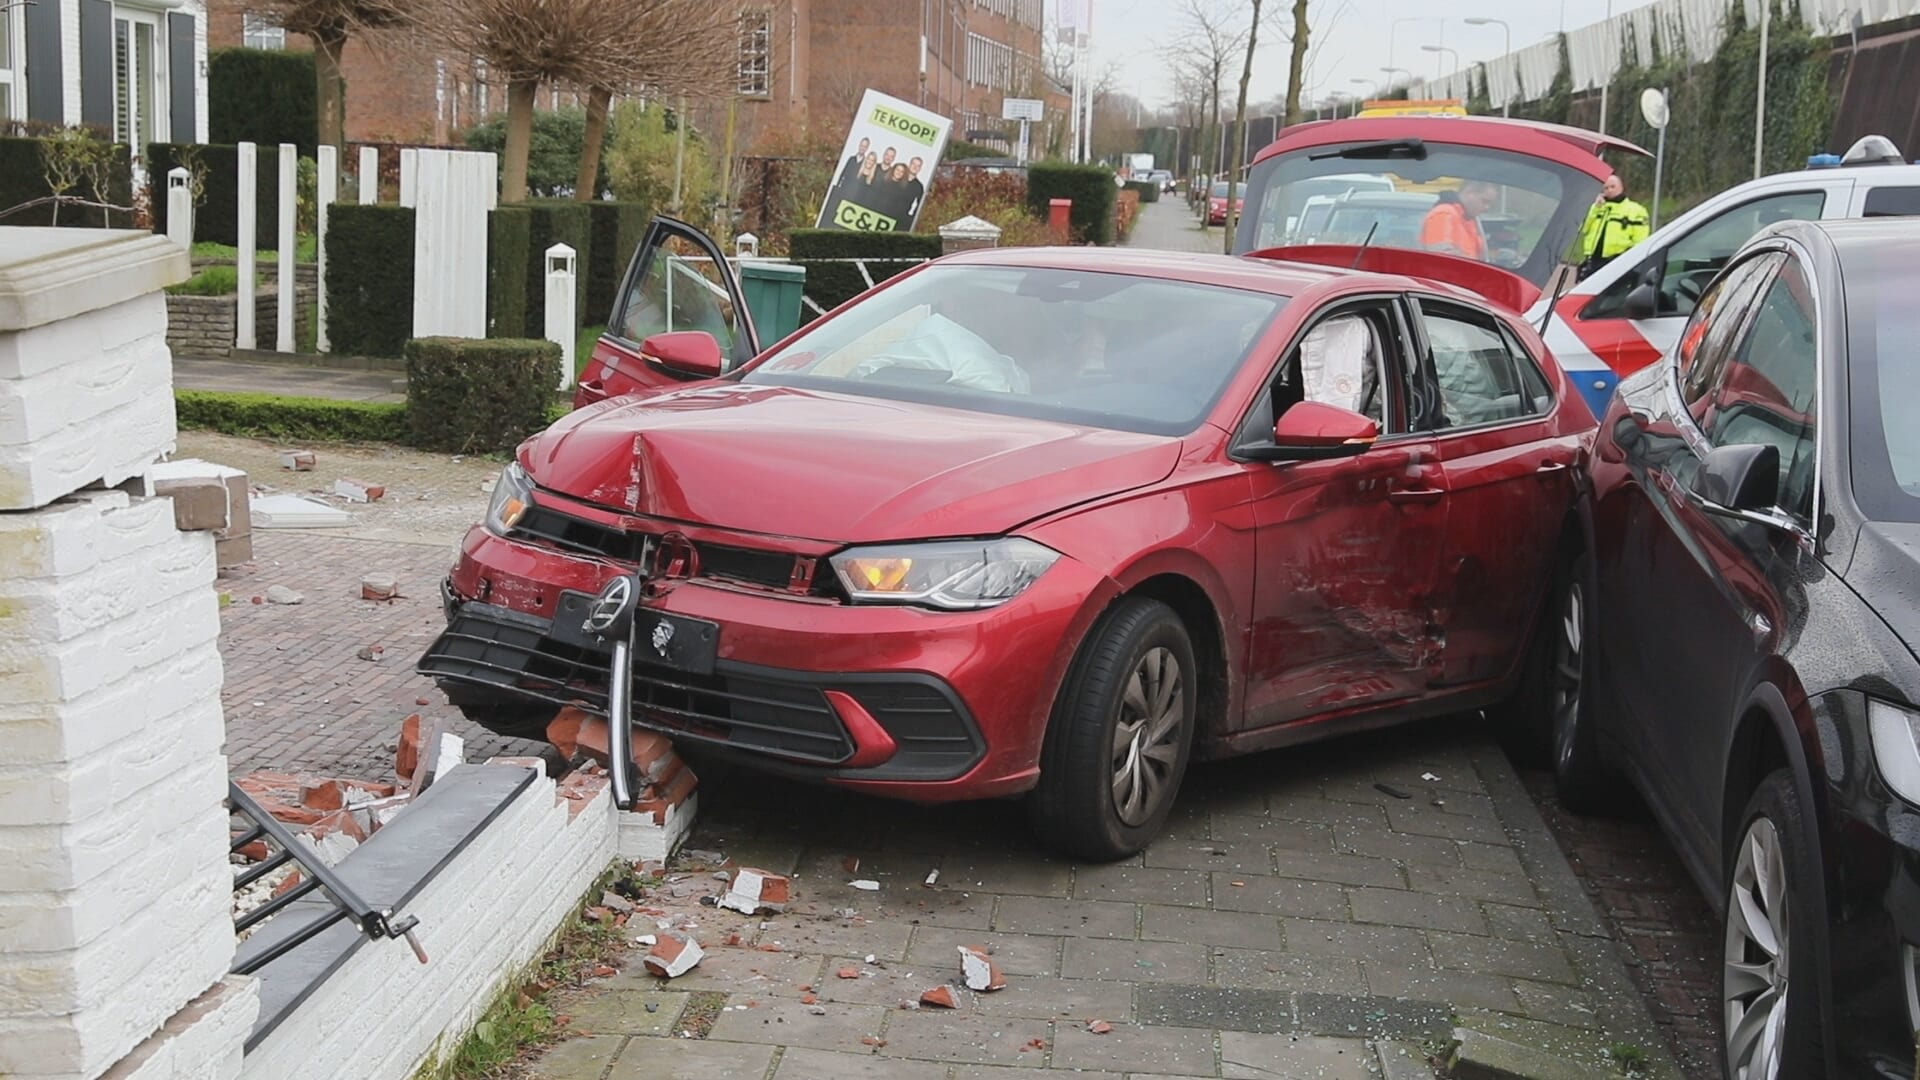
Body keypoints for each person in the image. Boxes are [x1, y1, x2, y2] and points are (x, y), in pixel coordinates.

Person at [1577, 173, 1650, 279]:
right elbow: (1583, 228)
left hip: (1618, 262)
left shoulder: (1636, 210)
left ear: (1621, 187)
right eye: (1606, 188)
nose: (1610, 190)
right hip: (1593, 261)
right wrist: (1596, 208)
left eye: (1613, 187)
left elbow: (1641, 240)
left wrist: (1630, 259)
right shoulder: (1597, 207)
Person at [1419, 180, 1498, 260]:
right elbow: (1442, 258)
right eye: (1484, 201)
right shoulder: (1444, 214)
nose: (1487, 207)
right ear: (1470, 193)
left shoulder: (1468, 219)